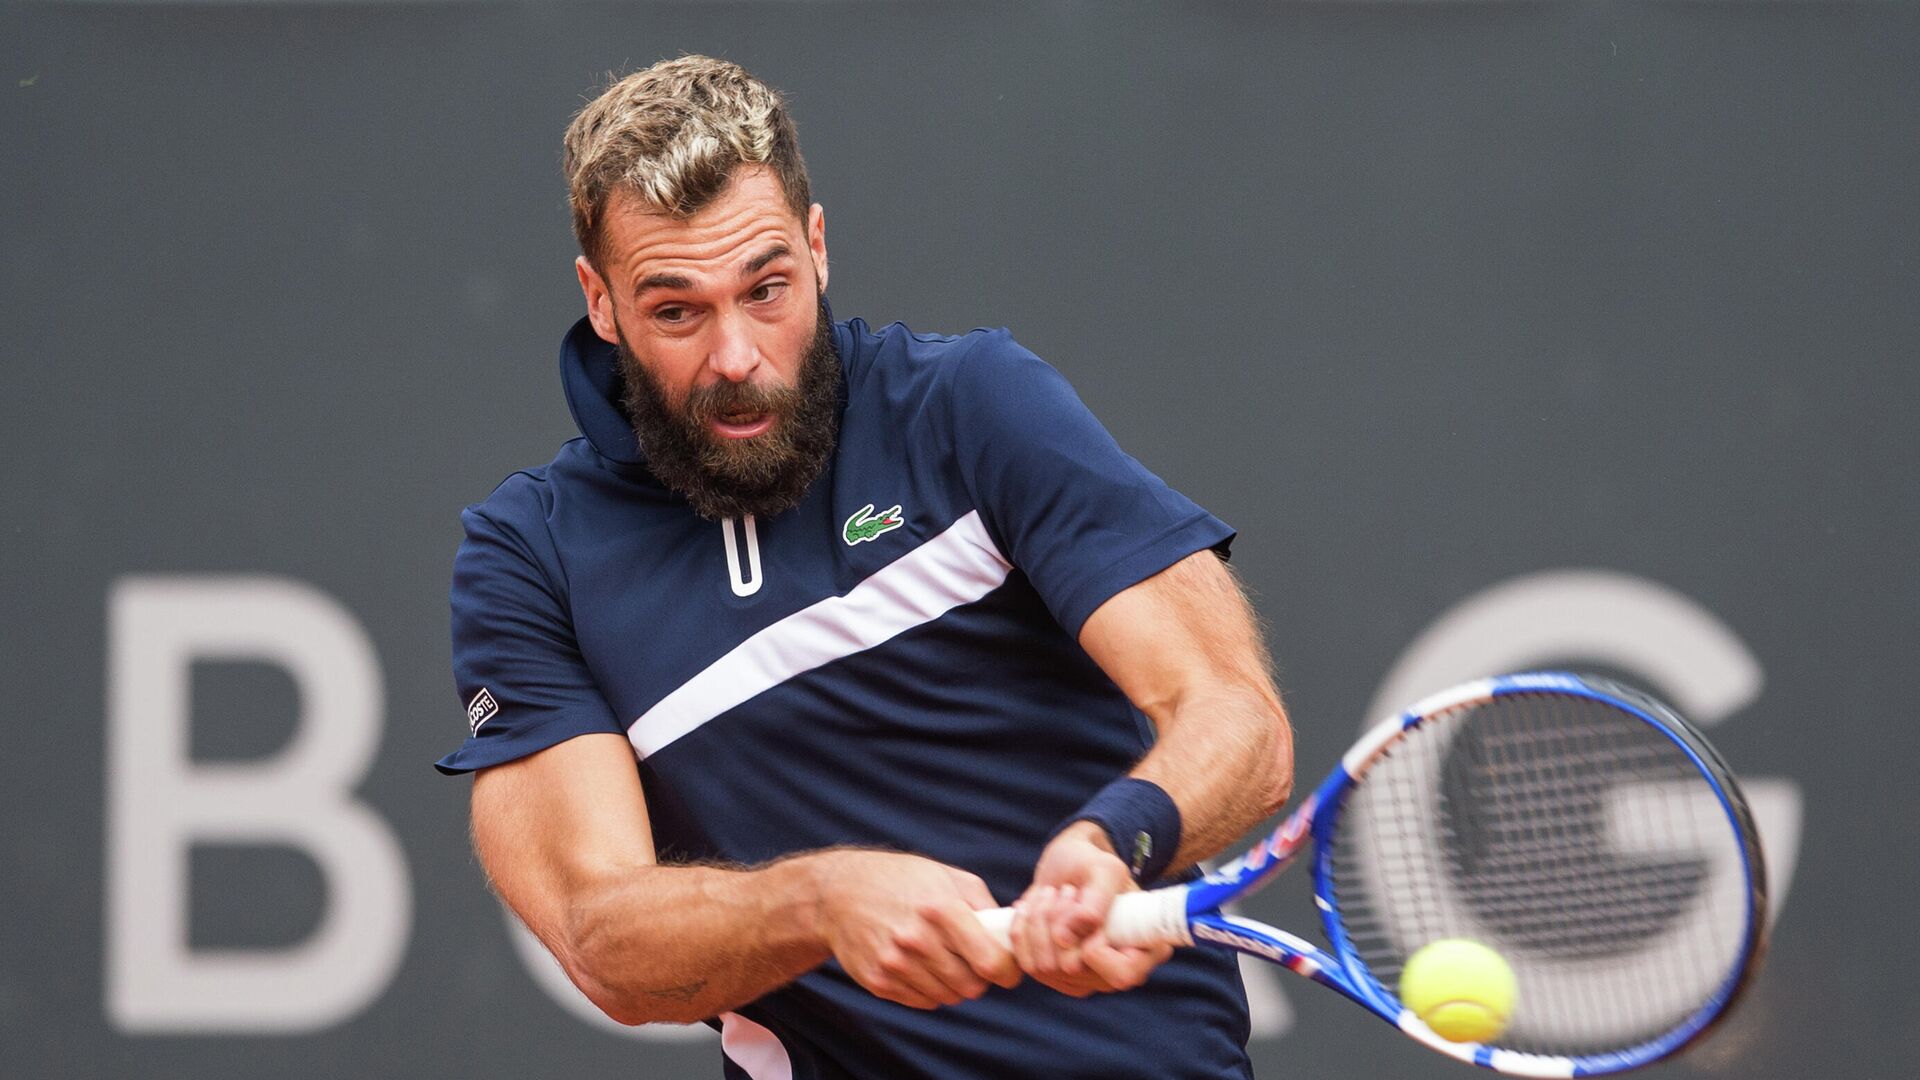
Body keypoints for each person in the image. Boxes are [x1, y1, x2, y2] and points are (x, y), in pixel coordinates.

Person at [436, 55, 1294, 1079]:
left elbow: (1238, 719)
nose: (737, 356)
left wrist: (1118, 841)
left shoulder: (970, 409)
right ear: (603, 301)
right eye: (677, 310)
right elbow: (600, 937)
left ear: (818, 245)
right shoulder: (530, 556)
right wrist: (818, 904)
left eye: (767, 289)